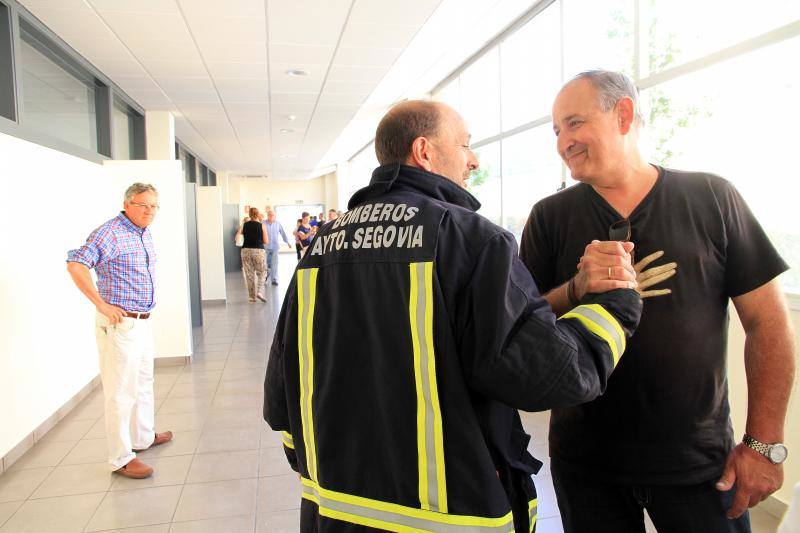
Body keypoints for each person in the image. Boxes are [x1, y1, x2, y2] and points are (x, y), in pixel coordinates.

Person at [263, 100, 643, 531]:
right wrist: (619, 301)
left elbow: (280, 392)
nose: (473, 160)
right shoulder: (473, 240)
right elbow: (551, 374)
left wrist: (319, 461)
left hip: (335, 514)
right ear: (424, 151)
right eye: (465, 145)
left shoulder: (322, 246)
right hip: (453, 516)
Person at [519, 69, 795, 533]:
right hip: (587, 463)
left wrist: (764, 445)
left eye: (574, 123)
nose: (563, 142)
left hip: (700, 464)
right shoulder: (549, 217)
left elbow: (767, 322)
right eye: (556, 131)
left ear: (623, 115)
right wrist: (576, 288)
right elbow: (524, 324)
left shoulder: (712, 198)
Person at [66, 183, 173, 479]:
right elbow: (76, 264)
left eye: (154, 206)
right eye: (143, 205)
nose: (149, 211)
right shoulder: (110, 233)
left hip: (142, 321)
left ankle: (143, 437)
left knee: (143, 382)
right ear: (127, 204)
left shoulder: (142, 232)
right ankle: (121, 457)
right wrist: (101, 304)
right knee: (120, 392)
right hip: (120, 323)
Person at [236, 207, 269, 302]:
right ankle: (259, 292)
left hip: (245, 250)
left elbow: (237, 236)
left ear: (249, 215)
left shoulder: (244, 225)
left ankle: (251, 297)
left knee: (249, 274)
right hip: (258, 250)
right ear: (258, 215)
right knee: (262, 271)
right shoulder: (261, 225)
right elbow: (266, 241)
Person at [262, 209, 291, 286]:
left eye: (273, 215)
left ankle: (274, 279)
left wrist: (288, 242)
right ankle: (265, 277)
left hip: (275, 247)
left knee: (274, 263)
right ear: (267, 215)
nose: (271, 216)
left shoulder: (278, 224)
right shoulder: (263, 223)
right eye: (270, 215)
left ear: (275, 216)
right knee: (265, 264)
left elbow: (283, 233)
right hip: (265, 247)